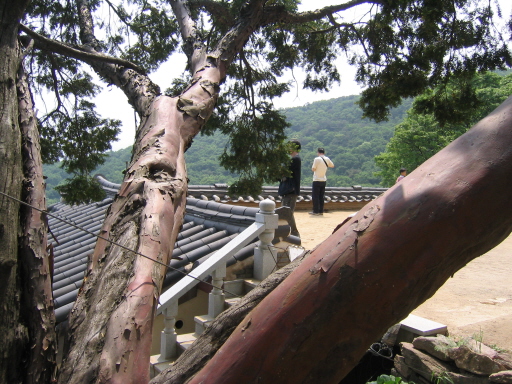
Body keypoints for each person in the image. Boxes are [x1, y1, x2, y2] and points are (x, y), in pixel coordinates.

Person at [279, 139, 301, 236]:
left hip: (290, 190)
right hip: (288, 190)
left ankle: (294, 233)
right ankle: (291, 233)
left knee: (287, 213)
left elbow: (283, 171)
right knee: (286, 212)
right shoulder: (293, 159)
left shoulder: (295, 159)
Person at [310, 147, 334, 215]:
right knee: (321, 196)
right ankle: (321, 211)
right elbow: (332, 165)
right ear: (324, 152)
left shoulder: (316, 159)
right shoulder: (327, 159)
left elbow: (313, 168)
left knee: (315, 196)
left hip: (316, 179)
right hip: (323, 179)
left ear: (318, 152)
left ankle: (315, 211)